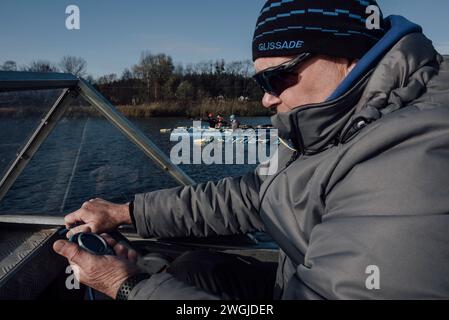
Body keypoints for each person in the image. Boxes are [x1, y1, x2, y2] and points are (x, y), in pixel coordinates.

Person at [54, 0, 449, 300]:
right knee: (192, 266)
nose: (265, 99)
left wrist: (125, 285)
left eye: (278, 77)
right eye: (261, 82)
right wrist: (126, 212)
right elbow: (251, 194)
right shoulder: (331, 121)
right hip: (293, 280)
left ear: (347, 57)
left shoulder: (411, 155)